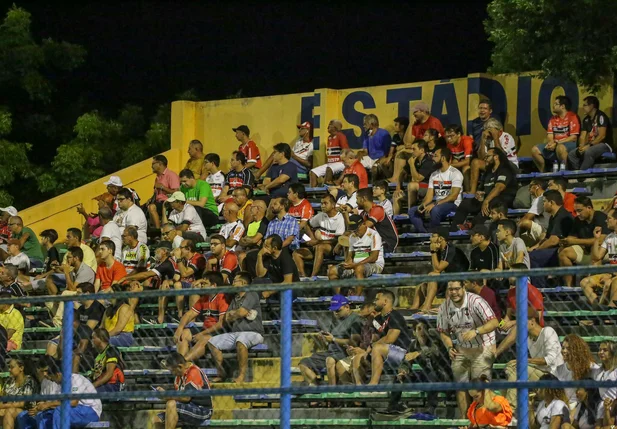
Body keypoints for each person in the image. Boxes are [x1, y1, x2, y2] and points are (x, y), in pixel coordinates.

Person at [437, 281, 498, 416]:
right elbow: (443, 331)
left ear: (464, 288)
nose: (454, 292)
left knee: (480, 389)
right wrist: (449, 347)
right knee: (461, 387)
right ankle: (465, 421)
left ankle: (483, 421)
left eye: (457, 289)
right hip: (461, 349)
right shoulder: (444, 307)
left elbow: (494, 322)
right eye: (450, 289)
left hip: (483, 347)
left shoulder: (476, 301)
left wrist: (476, 331)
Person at [207, 272, 264, 383]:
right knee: (212, 342)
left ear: (243, 283)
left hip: (254, 333)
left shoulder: (251, 294)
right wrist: (237, 313)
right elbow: (227, 318)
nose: (232, 283)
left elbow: (241, 312)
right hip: (236, 333)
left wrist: (236, 313)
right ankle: (221, 373)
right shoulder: (235, 298)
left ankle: (241, 376)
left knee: (241, 341)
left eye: (235, 281)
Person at [504, 308, 564, 412]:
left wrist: (523, 361)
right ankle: (506, 406)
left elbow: (550, 360)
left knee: (516, 367)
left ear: (532, 321)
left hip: (554, 375)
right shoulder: (528, 339)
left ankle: (510, 409)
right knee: (510, 367)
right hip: (541, 373)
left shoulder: (548, 331)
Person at [298, 295, 362, 386]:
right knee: (303, 363)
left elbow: (354, 342)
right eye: (333, 311)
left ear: (347, 307)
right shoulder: (336, 320)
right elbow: (330, 342)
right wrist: (325, 338)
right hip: (330, 352)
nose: (335, 313)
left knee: (330, 360)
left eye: (337, 310)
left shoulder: (355, 319)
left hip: (345, 352)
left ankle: (332, 392)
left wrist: (334, 339)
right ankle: (316, 389)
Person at [353, 290, 412, 386]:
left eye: (377, 299)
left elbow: (390, 339)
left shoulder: (396, 316)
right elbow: (375, 339)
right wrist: (366, 350)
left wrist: (372, 346)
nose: (374, 302)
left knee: (377, 348)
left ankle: (373, 384)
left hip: (402, 353)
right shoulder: (377, 319)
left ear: (385, 301)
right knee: (357, 358)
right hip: (384, 352)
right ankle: (359, 387)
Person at [450, 147, 517, 231]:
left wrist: (486, 200)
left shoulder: (504, 170)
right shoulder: (488, 171)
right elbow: (481, 188)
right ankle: (453, 230)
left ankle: (471, 225)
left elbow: (499, 187)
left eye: (488, 157)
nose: (485, 159)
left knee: (492, 202)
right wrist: (478, 194)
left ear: (496, 157)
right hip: (487, 198)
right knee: (466, 203)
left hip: (503, 199)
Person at [411, 227, 469, 312]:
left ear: (441, 239)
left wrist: (433, 252)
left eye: (433, 236)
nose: (431, 238)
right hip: (446, 277)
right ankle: (414, 308)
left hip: (457, 278)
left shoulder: (450, 249)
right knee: (421, 285)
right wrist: (434, 252)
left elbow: (437, 270)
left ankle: (427, 306)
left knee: (433, 276)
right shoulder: (439, 250)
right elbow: (436, 269)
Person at [175, 271, 230, 359]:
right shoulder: (204, 298)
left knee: (204, 339)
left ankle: (182, 362)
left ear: (214, 285)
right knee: (184, 334)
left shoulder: (222, 298)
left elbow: (221, 324)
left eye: (205, 283)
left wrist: (201, 334)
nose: (202, 286)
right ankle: (180, 361)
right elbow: (189, 315)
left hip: (219, 332)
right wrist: (179, 329)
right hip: (205, 330)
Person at [558, 196, 610, 286]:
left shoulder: (600, 217)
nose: (577, 214)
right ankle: (569, 289)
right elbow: (571, 238)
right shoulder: (578, 220)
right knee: (563, 252)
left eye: (580, 210)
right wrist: (566, 241)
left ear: (589, 208)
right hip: (586, 251)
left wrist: (576, 242)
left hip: (604, 252)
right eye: (575, 211)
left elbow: (601, 240)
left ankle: (594, 288)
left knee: (596, 251)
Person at [409, 147, 463, 233]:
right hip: (438, 204)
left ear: (443, 158)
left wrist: (434, 204)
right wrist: (423, 205)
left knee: (435, 209)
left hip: (453, 205)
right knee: (412, 211)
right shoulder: (434, 174)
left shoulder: (455, 173)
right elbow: (429, 197)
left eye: (435, 156)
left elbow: (453, 196)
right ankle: (425, 234)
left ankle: (435, 233)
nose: (432, 158)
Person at [153, 352, 212, 429]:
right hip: (186, 407)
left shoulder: (193, 372)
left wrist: (166, 395)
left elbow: (186, 397)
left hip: (202, 410)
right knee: (157, 419)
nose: (172, 373)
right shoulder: (179, 376)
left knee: (171, 404)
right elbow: (178, 396)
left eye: (173, 370)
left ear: (180, 366)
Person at [529, 190, 575, 288]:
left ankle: (541, 290)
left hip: (562, 250)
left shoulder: (562, 215)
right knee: (531, 254)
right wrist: (533, 248)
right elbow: (546, 238)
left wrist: (537, 250)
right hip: (554, 250)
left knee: (532, 257)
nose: (543, 204)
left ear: (552, 203)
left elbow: (554, 240)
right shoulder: (553, 217)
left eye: (544, 201)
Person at [293, 194, 345, 278]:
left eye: (325, 203)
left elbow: (336, 240)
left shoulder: (340, 218)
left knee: (320, 247)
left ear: (333, 205)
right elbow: (307, 225)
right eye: (321, 203)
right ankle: (304, 277)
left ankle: (313, 276)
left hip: (333, 248)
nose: (322, 206)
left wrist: (316, 242)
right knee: (296, 253)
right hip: (318, 246)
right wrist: (312, 238)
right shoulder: (321, 215)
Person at [327, 224, 384, 295]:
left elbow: (374, 257)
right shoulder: (352, 236)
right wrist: (347, 263)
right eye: (353, 230)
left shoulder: (374, 235)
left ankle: (357, 297)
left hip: (375, 264)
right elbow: (351, 256)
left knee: (359, 268)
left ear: (362, 224)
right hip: (356, 264)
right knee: (332, 270)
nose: (355, 232)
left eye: (356, 229)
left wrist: (356, 265)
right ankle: (340, 298)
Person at [44, 360, 102, 429]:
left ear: (58, 375)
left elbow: (74, 402)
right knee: (44, 415)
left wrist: (48, 405)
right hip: (74, 411)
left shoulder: (76, 379)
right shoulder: (60, 385)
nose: (52, 380)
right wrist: (42, 407)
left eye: (52, 377)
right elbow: (57, 403)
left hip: (91, 412)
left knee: (59, 411)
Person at [531, 95, 580, 172]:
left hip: (569, 144)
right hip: (555, 145)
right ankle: (544, 173)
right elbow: (550, 135)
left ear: (562, 106)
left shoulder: (572, 117)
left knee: (560, 148)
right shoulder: (553, 119)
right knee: (535, 150)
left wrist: (557, 142)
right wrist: (551, 143)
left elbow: (573, 137)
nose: (553, 106)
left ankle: (565, 173)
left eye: (556, 104)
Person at [470, 117, 518, 194]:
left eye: (491, 131)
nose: (489, 134)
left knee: (497, 160)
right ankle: (472, 192)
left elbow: (502, 156)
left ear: (500, 131)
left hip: (509, 165)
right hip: (493, 165)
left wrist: (496, 138)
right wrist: (482, 140)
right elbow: (481, 157)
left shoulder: (506, 137)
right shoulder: (488, 138)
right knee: (475, 162)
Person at [581, 211, 617, 306]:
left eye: (609, 218)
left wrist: (611, 276)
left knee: (610, 284)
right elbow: (597, 257)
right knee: (585, 282)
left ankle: (607, 314)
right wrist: (596, 239)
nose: (606, 221)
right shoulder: (609, 237)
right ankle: (597, 308)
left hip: (614, 275)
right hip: (612, 273)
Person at [568, 95, 613, 171]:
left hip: (604, 145)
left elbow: (602, 136)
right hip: (590, 145)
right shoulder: (586, 120)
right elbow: (582, 136)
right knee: (572, 154)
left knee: (589, 152)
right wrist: (581, 146)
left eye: (585, 105)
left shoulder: (601, 116)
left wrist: (589, 145)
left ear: (592, 106)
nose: (583, 108)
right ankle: (578, 172)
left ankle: (581, 175)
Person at [392, 139, 436, 214]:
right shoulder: (414, 159)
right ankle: (395, 220)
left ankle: (411, 213)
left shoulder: (429, 161)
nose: (412, 151)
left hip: (429, 188)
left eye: (414, 149)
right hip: (417, 188)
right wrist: (398, 188)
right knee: (397, 195)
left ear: (422, 150)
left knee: (412, 185)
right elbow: (402, 173)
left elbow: (417, 179)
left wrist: (412, 165)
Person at [15, 356, 61, 429]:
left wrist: (41, 408)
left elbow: (57, 403)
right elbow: (42, 401)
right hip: (44, 409)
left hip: (53, 411)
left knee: (41, 416)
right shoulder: (44, 382)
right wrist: (37, 408)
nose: (45, 374)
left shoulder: (57, 381)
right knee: (22, 415)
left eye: (46, 371)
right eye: (42, 371)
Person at [553, 334, 598, 407]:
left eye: (568, 349)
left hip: (583, 406)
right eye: (563, 348)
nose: (564, 351)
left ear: (577, 351)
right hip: (564, 406)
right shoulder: (559, 369)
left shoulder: (590, 367)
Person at [357, 188, 399, 253]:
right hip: (376, 242)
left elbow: (365, 226)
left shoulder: (378, 209)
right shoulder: (364, 213)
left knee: (361, 253)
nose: (356, 202)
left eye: (357, 199)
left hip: (387, 243)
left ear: (363, 199)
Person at [309, 119, 349, 187]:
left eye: (330, 125)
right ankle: (313, 193)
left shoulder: (341, 136)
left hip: (340, 163)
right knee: (313, 172)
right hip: (330, 164)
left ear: (335, 127)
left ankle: (325, 190)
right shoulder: (329, 137)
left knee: (329, 169)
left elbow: (346, 151)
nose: (327, 127)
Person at [0, 358, 37, 429]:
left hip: (26, 411)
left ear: (21, 368)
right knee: (5, 412)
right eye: (9, 367)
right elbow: (2, 397)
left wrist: (3, 406)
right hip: (8, 408)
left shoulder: (29, 381)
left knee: (9, 412)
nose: (9, 370)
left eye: (12, 367)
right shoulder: (9, 381)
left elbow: (23, 403)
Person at [147, 154, 181, 229]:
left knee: (152, 207)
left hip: (168, 202)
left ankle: (158, 230)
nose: (151, 166)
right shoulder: (157, 178)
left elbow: (176, 193)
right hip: (158, 202)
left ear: (160, 164)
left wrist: (162, 187)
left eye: (153, 164)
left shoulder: (171, 175)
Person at [90, 328, 126, 393]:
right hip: (102, 383)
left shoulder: (111, 351)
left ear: (100, 338)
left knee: (88, 394)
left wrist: (92, 386)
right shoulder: (97, 353)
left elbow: (109, 375)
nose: (91, 340)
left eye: (93, 338)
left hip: (113, 384)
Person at [519, 179, 549, 248]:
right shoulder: (536, 199)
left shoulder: (541, 198)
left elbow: (527, 218)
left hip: (545, 230)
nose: (529, 189)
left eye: (531, 186)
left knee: (525, 223)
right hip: (541, 227)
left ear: (537, 186)